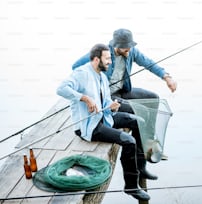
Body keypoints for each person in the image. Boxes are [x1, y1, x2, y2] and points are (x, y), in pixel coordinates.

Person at [56, 43, 155, 201]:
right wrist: (85, 98)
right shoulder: (81, 73)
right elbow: (61, 89)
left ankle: (139, 165)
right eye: (107, 58)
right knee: (128, 141)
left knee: (139, 121)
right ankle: (131, 186)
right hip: (89, 127)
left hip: (104, 117)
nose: (110, 62)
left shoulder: (102, 75)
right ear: (96, 59)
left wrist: (112, 107)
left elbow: (106, 101)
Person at [72, 28, 177, 161]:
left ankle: (149, 143)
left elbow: (149, 63)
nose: (128, 49)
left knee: (153, 98)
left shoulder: (131, 51)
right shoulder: (103, 53)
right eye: (125, 46)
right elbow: (75, 66)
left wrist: (167, 77)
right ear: (116, 45)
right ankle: (140, 152)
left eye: (130, 45)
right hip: (108, 97)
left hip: (123, 90)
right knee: (140, 110)